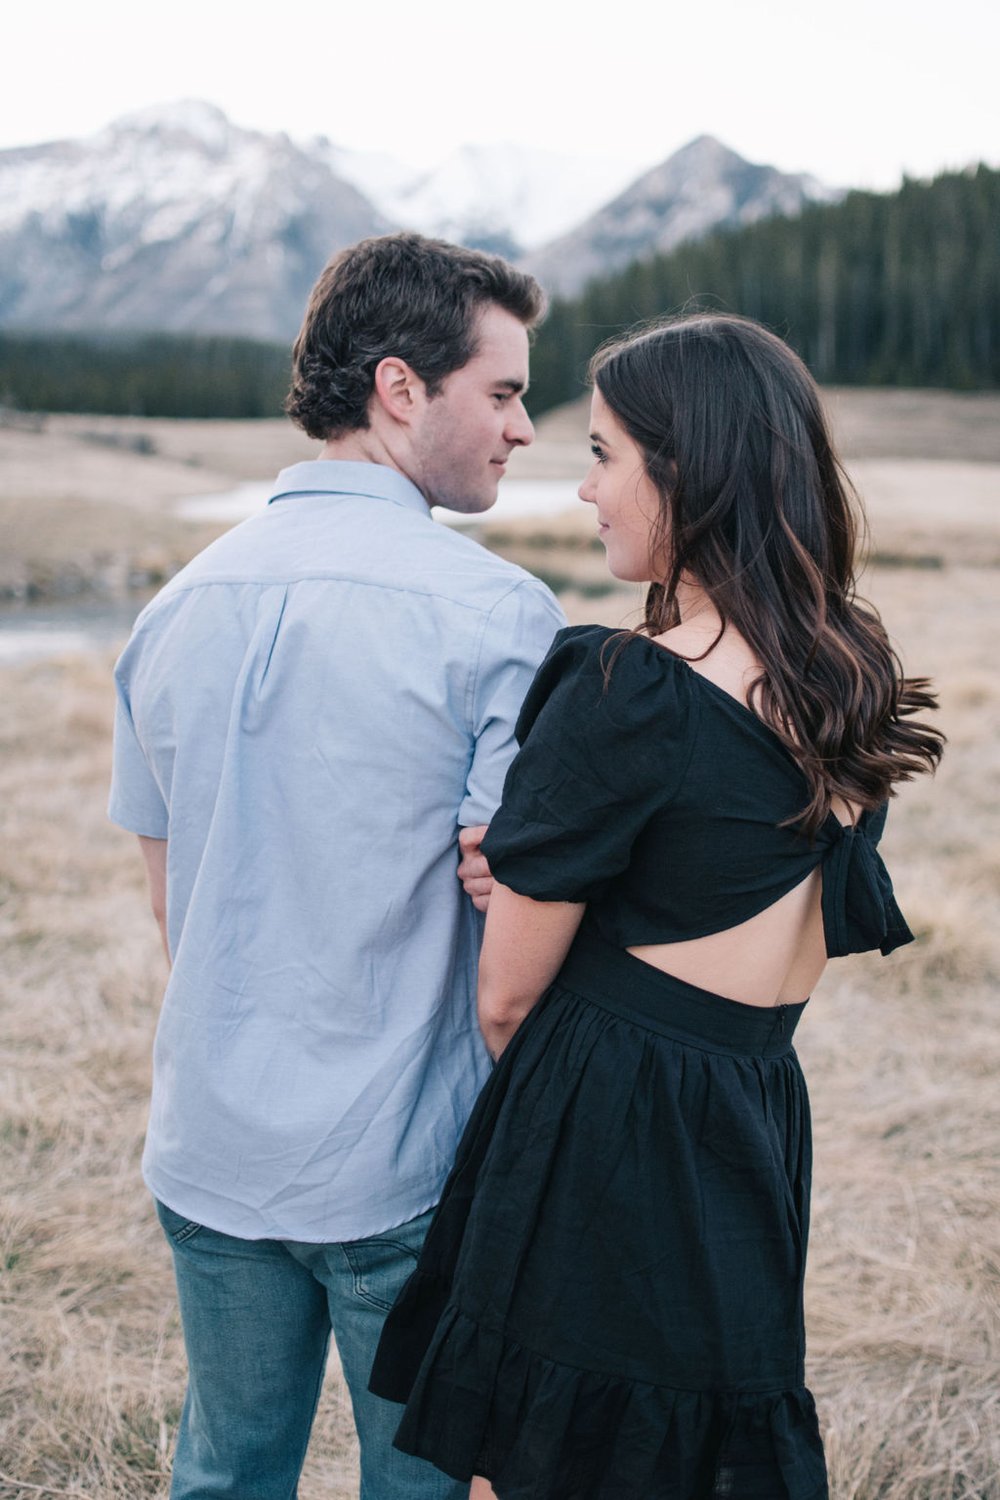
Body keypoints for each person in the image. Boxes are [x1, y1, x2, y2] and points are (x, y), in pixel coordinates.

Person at [369, 313, 945, 1499]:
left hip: (604, 1117)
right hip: (748, 1096)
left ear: (687, 470)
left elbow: (506, 997)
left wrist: (535, 899)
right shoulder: (843, 669)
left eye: (602, 454)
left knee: (537, 1461)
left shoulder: (631, 690)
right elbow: (731, 882)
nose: (582, 488)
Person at [108, 232, 565, 1500]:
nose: (524, 429)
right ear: (401, 388)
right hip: (400, 1170)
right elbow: (514, 929)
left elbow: (171, 902)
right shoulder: (500, 615)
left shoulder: (171, 610)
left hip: (209, 1146)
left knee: (223, 1473)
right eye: (506, 391)